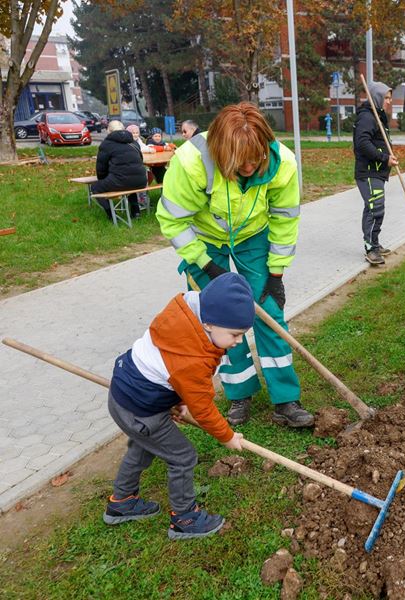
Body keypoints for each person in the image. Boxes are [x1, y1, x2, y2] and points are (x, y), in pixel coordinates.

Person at [156, 102, 313, 428]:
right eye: (241, 164)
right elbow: (172, 220)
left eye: (256, 161)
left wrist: (276, 274)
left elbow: (285, 220)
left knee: (269, 313)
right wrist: (205, 264)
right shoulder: (190, 162)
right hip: (205, 241)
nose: (251, 169)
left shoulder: (283, 164)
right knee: (218, 320)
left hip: (253, 236)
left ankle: (286, 399)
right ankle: (239, 392)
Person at [104, 272, 252, 540]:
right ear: (209, 324)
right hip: (142, 410)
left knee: (142, 445)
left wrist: (179, 400)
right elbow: (204, 408)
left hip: (126, 397)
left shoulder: (185, 316)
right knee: (182, 456)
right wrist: (227, 436)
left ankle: (121, 502)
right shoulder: (191, 361)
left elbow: (173, 373)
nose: (238, 341)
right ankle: (184, 518)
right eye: (235, 334)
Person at [353, 81, 398, 265]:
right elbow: (362, 144)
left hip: (377, 173)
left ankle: (374, 243)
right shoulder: (367, 117)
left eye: (389, 97)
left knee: (374, 208)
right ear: (377, 98)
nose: (389, 101)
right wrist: (384, 158)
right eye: (386, 97)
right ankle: (370, 248)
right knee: (375, 209)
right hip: (369, 173)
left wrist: (389, 157)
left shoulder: (377, 116)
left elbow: (378, 141)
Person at [91, 120, 147, 220]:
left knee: (95, 187)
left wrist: (104, 179)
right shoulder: (133, 142)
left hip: (121, 181)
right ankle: (136, 212)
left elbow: (101, 168)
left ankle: (112, 215)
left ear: (109, 130)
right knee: (130, 182)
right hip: (141, 181)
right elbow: (140, 160)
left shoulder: (106, 145)